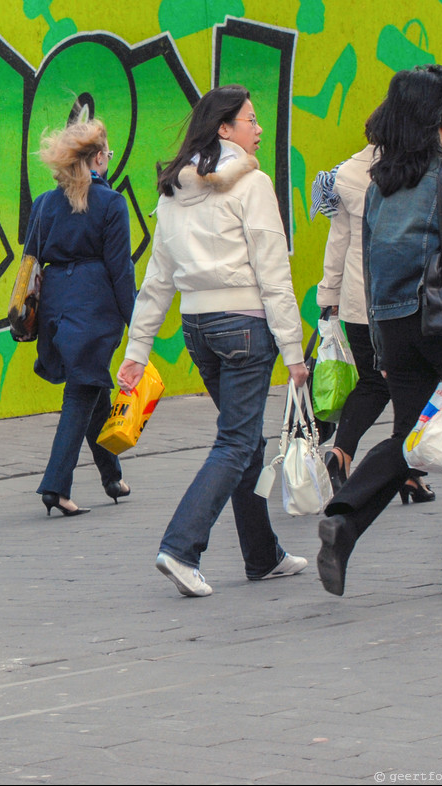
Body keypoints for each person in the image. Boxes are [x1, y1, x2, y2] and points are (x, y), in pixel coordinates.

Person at [317, 65, 442, 596]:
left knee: (410, 435)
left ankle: (345, 518)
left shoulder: (380, 186)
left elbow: (374, 267)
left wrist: (382, 345)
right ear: (441, 124)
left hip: (396, 329)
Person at [117, 85, 309, 597]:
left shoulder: (172, 191)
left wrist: (136, 353)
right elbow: (274, 272)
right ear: (225, 129)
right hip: (245, 324)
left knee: (244, 437)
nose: (259, 128)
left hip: (199, 328)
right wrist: (294, 352)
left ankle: (262, 555)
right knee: (237, 440)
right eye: (251, 119)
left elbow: (158, 278)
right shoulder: (253, 184)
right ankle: (181, 548)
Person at [313, 132, 435, 505]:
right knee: (411, 384)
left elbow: (339, 238)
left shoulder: (347, 172)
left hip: (356, 299)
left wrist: (329, 295)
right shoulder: (412, 171)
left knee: (374, 383)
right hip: (401, 298)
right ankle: (401, 471)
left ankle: (343, 454)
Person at [28, 118, 136, 517]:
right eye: (106, 154)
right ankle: (56, 486)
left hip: (56, 307)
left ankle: (112, 477)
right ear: (95, 159)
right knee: (80, 393)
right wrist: (137, 322)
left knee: (92, 386)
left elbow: (31, 262)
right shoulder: (111, 203)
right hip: (93, 306)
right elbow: (120, 268)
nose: (108, 159)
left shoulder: (44, 204)